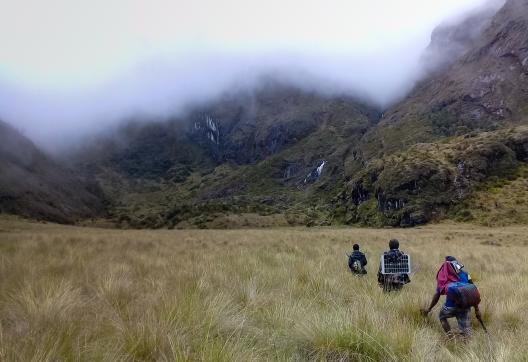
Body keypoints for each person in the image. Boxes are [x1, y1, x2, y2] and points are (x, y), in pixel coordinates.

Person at [422, 256, 482, 338]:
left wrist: (429, 308)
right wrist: (477, 310)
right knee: (466, 330)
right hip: (465, 306)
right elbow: (472, 292)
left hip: (450, 307)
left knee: (442, 316)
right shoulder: (466, 274)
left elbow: (437, 295)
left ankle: (450, 336)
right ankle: (468, 345)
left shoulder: (445, 277)